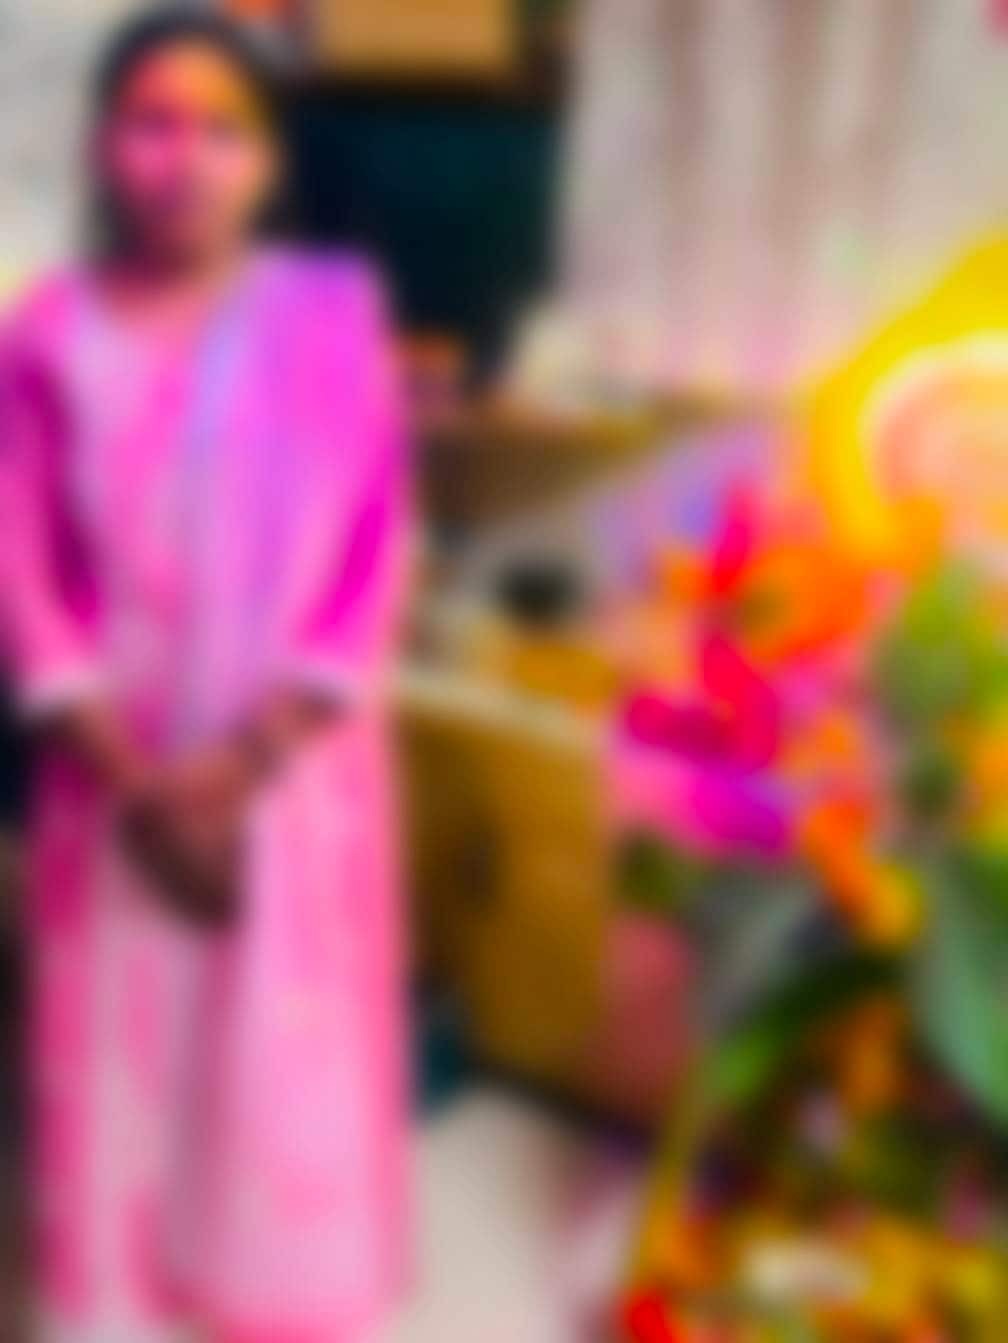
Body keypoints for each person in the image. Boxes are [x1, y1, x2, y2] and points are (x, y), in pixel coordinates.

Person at [0, 9, 410, 1341]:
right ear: (102, 145)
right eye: (153, 123)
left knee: (274, 1070)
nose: (186, 159)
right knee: (127, 1070)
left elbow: (374, 552)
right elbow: (19, 563)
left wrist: (250, 757)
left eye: (224, 129)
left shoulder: (331, 319)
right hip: (110, 771)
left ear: (270, 161)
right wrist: (128, 773)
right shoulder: (45, 331)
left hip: (289, 779)